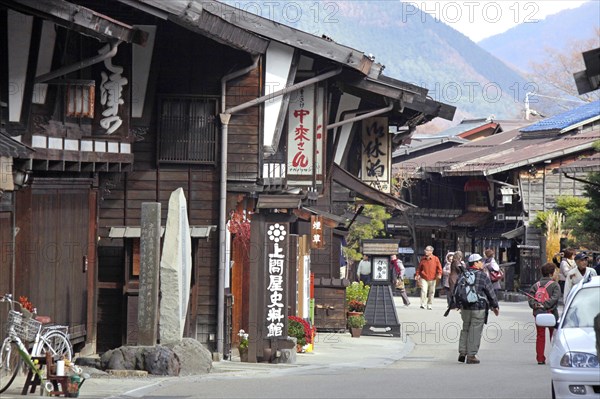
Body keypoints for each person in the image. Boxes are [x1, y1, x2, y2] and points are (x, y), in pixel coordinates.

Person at [457, 253, 499, 364]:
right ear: (475, 263)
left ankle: (462, 352)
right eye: (480, 261)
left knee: (465, 328)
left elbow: (456, 290)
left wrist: (456, 304)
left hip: (465, 307)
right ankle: (471, 355)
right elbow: (490, 292)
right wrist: (495, 306)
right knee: (475, 331)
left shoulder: (463, 275)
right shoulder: (482, 276)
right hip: (478, 307)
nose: (482, 263)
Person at [528, 262, 561, 365]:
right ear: (551, 273)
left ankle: (540, 358)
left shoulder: (536, 285)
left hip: (539, 314)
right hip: (552, 313)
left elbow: (530, 299)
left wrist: (537, 305)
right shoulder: (555, 285)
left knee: (540, 336)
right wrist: (546, 304)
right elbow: (555, 298)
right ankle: (554, 357)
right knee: (554, 336)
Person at [415, 245, 442, 310]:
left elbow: (439, 268)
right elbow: (419, 268)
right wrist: (417, 275)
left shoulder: (435, 259)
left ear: (431, 251)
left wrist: (439, 274)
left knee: (431, 292)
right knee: (424, 291)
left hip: (433, 278)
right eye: (425, 250)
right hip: (424, 277)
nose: (425, 251)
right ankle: (423, 304)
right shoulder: (423, 259)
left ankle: (429, 304)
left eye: (427, 250)